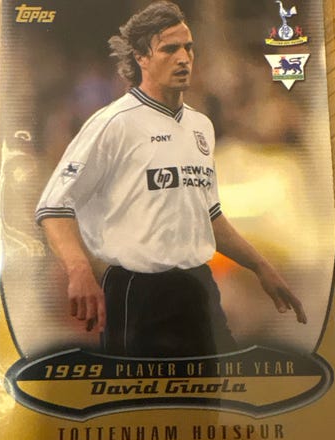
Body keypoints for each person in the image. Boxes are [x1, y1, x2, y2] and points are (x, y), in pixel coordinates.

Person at [35, 1, 307, 358]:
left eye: (187, 48)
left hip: (198, 292)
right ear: (141, 60)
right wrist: (79, 270)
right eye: (169, 49)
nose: (183, 58)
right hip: (133, 296)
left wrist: (260, 267)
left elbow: (210, 215)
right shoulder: (110, 124)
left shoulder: (198, 125)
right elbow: (54, 207)